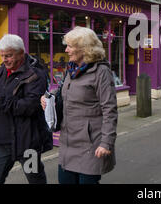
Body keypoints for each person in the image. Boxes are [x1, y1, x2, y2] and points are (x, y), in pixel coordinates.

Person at [41, 26, 118, 184]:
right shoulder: (71, 69)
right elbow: (63, 92)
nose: (66, 50)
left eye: (70, 46)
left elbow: (110, 110)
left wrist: (106, 143)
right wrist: (49, 99)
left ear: (84, 48)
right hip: (68, 141)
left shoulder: (101, 71)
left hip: (91, 144)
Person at [0, 34, 52, 184]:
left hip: (28, 143)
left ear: (21, 53)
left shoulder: (35, 74)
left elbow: (30, 107)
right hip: (2, 142)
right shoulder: (1, 70)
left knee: (35, 179)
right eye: (2, 56)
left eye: (9, 55)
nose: (4, 59)